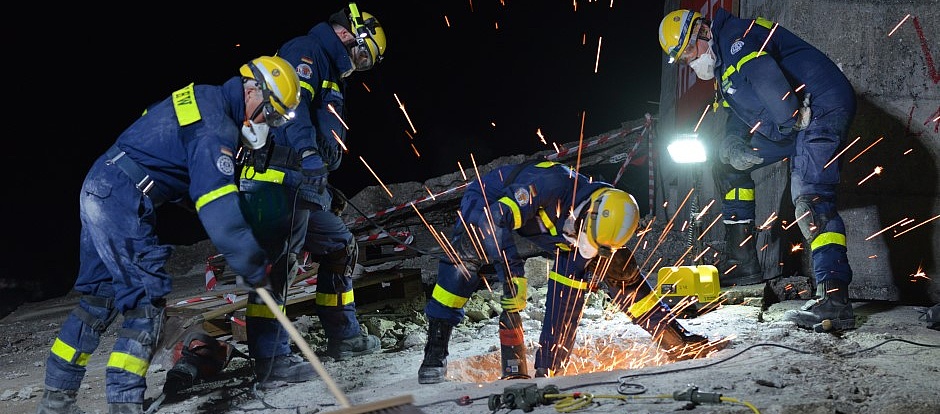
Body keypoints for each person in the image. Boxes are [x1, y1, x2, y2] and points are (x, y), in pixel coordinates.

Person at [36, 55, 310, 414]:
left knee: (99, 300)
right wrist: (251, 261)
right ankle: (125, 406)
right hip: (121, 199)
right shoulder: (216, 128)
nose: (269, 125)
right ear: (254, 91)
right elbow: (219, 210)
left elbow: (168, 151)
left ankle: (56, 402)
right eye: (272, 114)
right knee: (145, 303)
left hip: (101, 186)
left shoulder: (204, 96)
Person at [418, 161, 727, 383]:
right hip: (486, 205)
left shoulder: (606, 211)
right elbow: (493, 222)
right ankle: (434, 352)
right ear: (588, 214)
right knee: (464, 263)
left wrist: (544, 380)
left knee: (617, 275)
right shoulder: (548, 185)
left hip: (561, 227)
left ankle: (674, 340)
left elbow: (567, 300)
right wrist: (514, 279)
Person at [658, 9, 857, 331]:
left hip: (819, 108)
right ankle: (744, 262)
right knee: (725, 165)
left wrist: (786, 121)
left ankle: (834, 300)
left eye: (689, 54)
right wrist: (734, 145)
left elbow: (765, 74)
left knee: (811, 198)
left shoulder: (735, 37)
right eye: (683, 61)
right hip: (792, 120)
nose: (691, 64)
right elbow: (738, 113)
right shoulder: (725, 65)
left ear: (702, 32)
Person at [241, 2, 388, 361]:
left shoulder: (327, 68)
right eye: (362, 56)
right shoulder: (306, 51)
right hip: (275, 182)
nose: (359, 65)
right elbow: (290, 108)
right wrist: (308, 155)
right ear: (348, 33)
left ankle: (344, 337)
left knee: (339, 244)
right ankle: (271, 360)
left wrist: (318, 179)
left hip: (298, 183)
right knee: (279, 264)